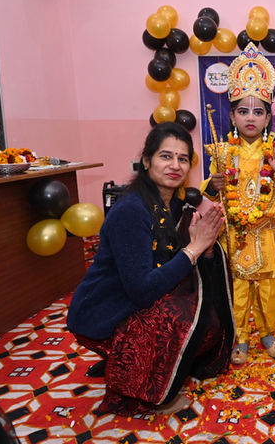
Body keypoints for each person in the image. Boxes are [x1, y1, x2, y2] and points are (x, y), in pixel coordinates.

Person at [67, 122, 235, 416]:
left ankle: (138, 364)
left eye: (183, 159)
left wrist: (206, 247)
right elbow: (142, 291)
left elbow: (182, 262)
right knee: (174, 317)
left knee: (205, 320)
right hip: (104, 308)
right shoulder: (131, 211)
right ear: (146, 161)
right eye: (165, 156)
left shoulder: (172, 206)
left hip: (135, 299)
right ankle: (135, 392)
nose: (175, 166)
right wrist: (193, 249)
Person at [201, 43, 275, 365]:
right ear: (232, 115)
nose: (250, 118)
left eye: (258, 112)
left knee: (270, 290)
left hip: (267, 234)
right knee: (238, 289)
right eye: (243, 111)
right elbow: (208, 191)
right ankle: (240, 337)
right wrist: (213, 186)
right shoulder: (223, 152)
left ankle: (268, 334)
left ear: (268, 117)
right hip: (234, 235)